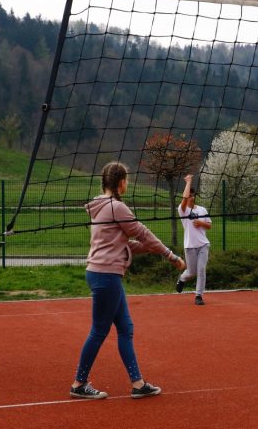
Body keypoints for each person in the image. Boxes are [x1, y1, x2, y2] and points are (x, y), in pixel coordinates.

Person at [70, 162, 185, 400]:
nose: (127, 183)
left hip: (102, 273)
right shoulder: (116, 207)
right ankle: (79, 383)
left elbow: (122, 244)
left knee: (125, 328)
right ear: (121, 182)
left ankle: (138, 384)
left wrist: (150, 248)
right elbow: (143, 233)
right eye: (127, 180)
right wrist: (170, 255)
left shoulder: (101, 206)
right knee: (99, 331)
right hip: (106, 275)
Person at [176, 174, 212, 305]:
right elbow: (184, 198)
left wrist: (201, 223)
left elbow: (209, 225)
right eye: (189, 195)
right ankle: (182, 279)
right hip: (190, 245)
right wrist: (188, 182)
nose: (190, 197)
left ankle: (198, 296)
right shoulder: (182, 210)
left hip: (203, 245)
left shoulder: (202, 210)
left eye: (192, 195)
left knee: (201, 270)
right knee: (192, 272)